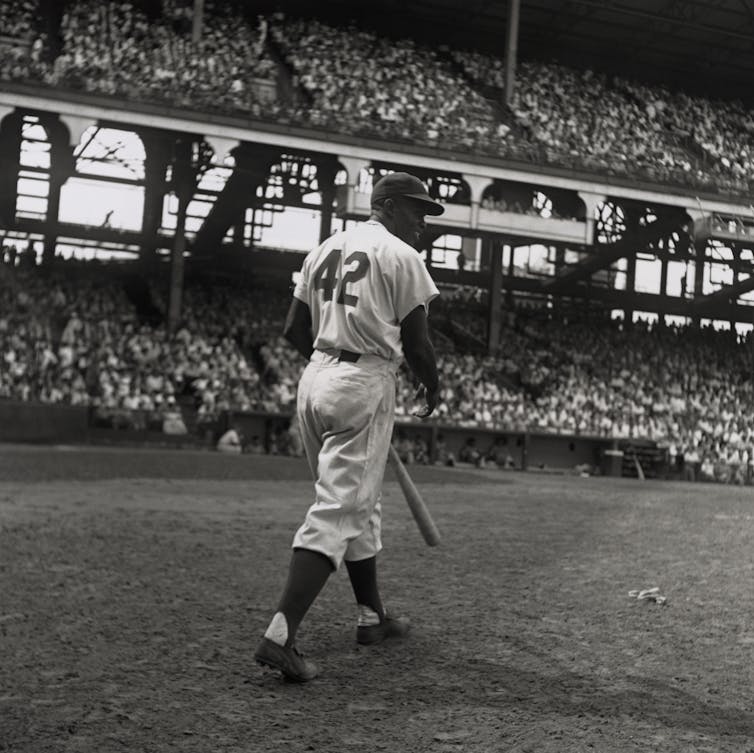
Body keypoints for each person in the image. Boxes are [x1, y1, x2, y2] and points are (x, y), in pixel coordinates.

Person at [254, 172, 443, 682]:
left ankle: (371, 616)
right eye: (416, 209)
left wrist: (332, 368)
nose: (423, 222)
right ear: (387, 206)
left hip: (314, 377)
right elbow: (419, 344)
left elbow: (294, 328)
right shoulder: (402, 256)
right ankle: (279, 634)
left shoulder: (325, 248)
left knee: (362, 502)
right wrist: (431, 386)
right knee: (341, 508)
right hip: (363, 380)